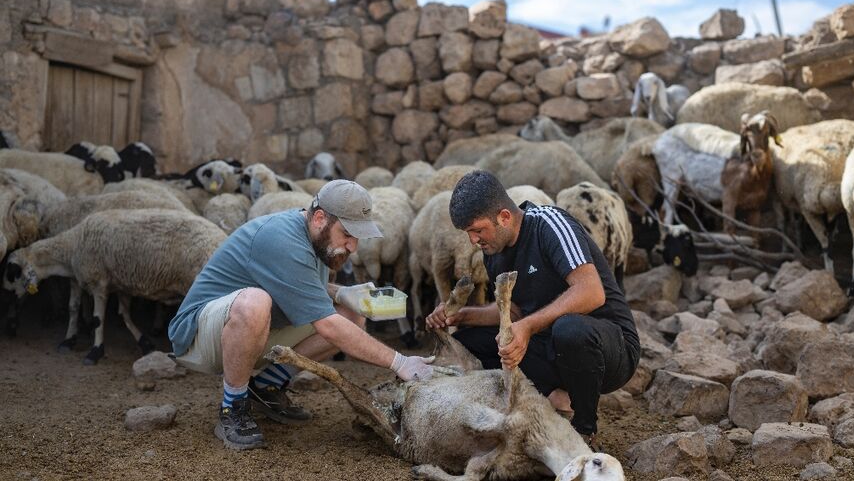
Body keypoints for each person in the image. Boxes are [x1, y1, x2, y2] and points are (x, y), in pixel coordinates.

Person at [168, 179, 438, 450]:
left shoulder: (314, 238)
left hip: (250, 331)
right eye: (347, 233)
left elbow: (299, 282)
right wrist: (400, 362)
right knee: (255, 303)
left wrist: (341, 294)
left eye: (357, 237)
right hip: (200, 336)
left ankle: (265, 387)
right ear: (320, 218)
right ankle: (233, 408)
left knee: (350, 314)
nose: (353, 246)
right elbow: (327, 326)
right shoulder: (280, 238)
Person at [425, 170, 639, 442]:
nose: (473, 241)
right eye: (469, 233)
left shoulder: (549, 225)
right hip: (551, 348)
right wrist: (459, 316)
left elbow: (592, 292)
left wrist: (527, 326)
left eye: (477, 230)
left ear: (503, 217)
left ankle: (584, 428)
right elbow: (513, 311)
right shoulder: (493, 251)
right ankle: (555, 396)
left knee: (569, 328)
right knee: (468, 343)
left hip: (610, 349)